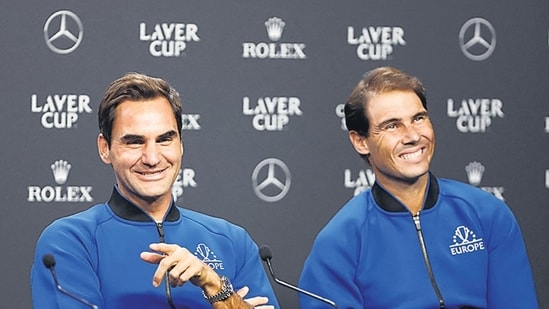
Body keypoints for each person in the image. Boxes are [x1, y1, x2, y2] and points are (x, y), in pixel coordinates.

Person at [31, 72, 280, 309]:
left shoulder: (233, 242)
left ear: (181, 144)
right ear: (105, 148)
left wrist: (214, 284)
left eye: (164, 139)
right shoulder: (70, 241)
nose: (152, 158)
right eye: (135, 142)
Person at [298, 66, 538, 308]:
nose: (412, 136)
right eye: (392, 126)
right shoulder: (339, 242)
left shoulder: (487, 214)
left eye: (418, 118)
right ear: (361, 141)